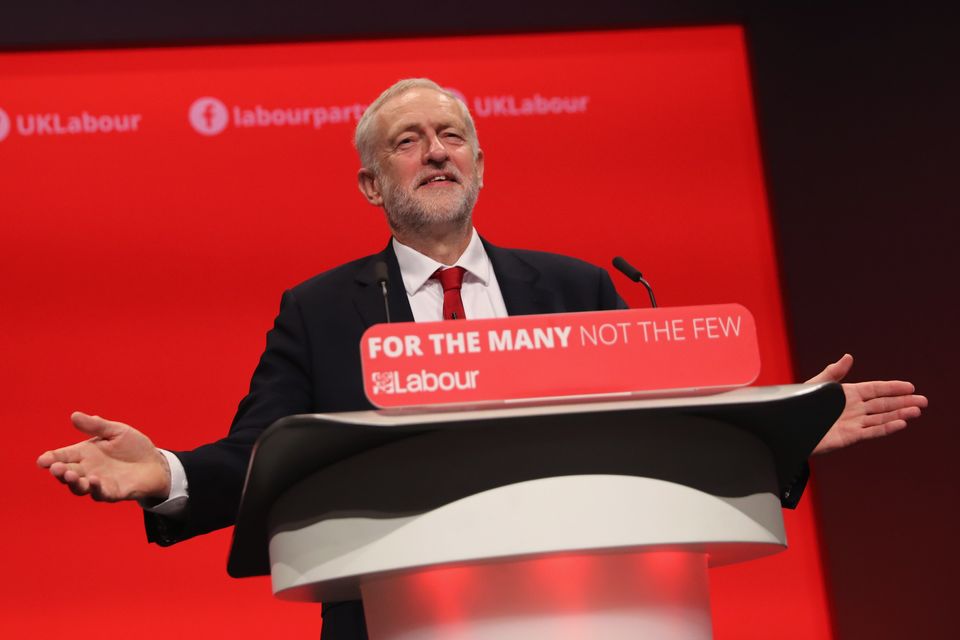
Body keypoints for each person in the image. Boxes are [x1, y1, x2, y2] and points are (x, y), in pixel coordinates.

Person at [37, 78, 928, 639]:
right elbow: (270, 450)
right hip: (393, 613)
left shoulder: (576, 286)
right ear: (371, 185)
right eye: (408, 140)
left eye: (452, 135)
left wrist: (782, 426)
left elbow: (660, 427)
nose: (435, 151)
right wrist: (167, 474)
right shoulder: (320, 310)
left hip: (592, 608)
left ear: (479, 163)